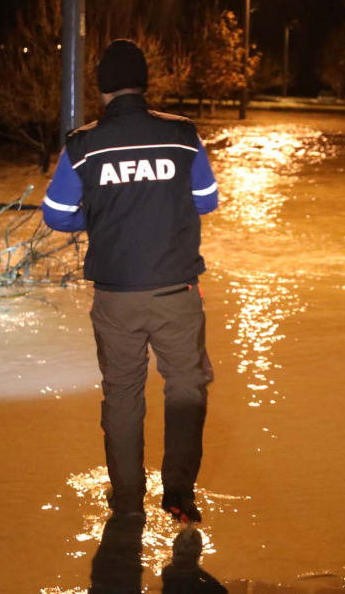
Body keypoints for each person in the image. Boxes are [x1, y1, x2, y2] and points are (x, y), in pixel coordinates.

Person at [42, 39, 219, 523]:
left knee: (122, 395)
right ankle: (180, 493)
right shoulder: (182, 136)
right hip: (176, 292)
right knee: (185, 388)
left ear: (101, 90)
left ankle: (126, 500)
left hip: (116, 296)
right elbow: (205, 200)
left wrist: (100, 217)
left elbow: (56, 215)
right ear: (144, 84)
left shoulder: (83, 144)